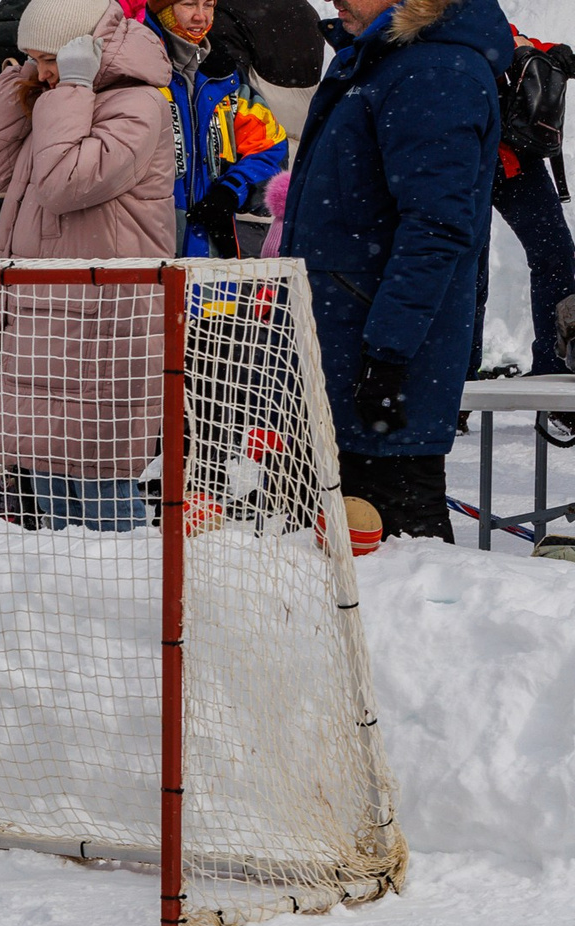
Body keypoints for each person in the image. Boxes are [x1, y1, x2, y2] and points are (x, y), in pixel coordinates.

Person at [282, 0, 512, 539]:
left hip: (381, 375)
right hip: (345, 355)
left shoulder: (433, 71)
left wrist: (387, 355)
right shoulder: (382, 61)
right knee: (345, 568)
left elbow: (435, 230)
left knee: (407, 563)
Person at [0, 0, 175, 532]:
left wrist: (72, 90)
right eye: (34, 59)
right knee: (50, 477)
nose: (45, 71)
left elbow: (64, 185)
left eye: (50, 58)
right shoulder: (60, 99)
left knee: (101, 480)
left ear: (86, 50)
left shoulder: (137, 105)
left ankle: (131, 595)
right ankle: (71, 603)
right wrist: (22, 86)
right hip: (46, 318)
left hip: (103, 324)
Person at [146, 0, 288, 256]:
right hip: (146, 246)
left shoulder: (226, 77)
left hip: (212, 250)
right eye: (189, 4)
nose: (201, 17)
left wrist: (231, 190)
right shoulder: (137, 70)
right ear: (161, 9)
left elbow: (270, 147)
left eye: (209, 5)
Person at [481, 25, 575, 380]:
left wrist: (550, 52)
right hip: (460, 160)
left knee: (556, 255)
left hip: (514, 156)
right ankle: (456, 388)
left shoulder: (480, 13)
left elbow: (511, 40)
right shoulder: (417, 17)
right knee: (466, 273)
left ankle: (554, 375)